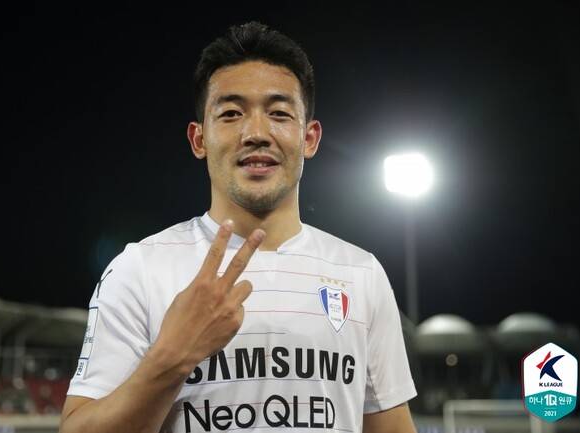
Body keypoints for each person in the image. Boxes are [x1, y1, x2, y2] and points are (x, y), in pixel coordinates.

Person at [60, 21, 417, 433]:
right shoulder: (139, 269)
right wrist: (172, 358)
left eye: (279, 113)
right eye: (231, 114)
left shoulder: (361, 274)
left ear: (309, 138)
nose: (256, 133)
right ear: (199, 140)